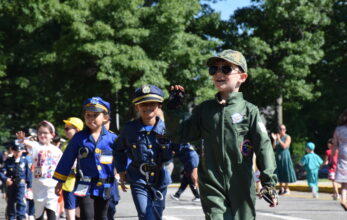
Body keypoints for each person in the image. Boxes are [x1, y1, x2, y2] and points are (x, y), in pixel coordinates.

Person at [164, 49, 278, 219]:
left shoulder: (250, 111)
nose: (218, 73)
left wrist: (269, 182)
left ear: (242, 77)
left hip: (241, 184)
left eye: (226, 69)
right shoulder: (204, 110)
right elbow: (179, 135)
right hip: (212, 184)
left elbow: (264, 147)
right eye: (214, 69)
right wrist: (172, 110)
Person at [113, 85, 199, 220]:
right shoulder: (130, 129)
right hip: (138, 178)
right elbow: (118, 149)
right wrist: (121, 170)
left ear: (159, 106)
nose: (147, 108)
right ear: (137, 107)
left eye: (152, 104)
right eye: (143, 104)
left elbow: (184, 149)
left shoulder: (168, 129)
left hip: (161, 178)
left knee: (156, 215)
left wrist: (193, 168)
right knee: (145, 214)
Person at [53, 97, 117, 220]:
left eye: (95, 115)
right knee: (87, 216)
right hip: (84, 184)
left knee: (103, 216)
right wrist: (60, 181)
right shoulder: (79, 138)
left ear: (105, 117)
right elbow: (67, 159)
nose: (91, 118)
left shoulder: (112, 138)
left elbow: (123, 156)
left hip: (105, 185)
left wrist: (124, 173)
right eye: (88, 115)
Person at [16, 120, 63, 220]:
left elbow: (62, 167)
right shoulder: (36, 146)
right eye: (40, 132)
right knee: (39, 213)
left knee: (51, 212)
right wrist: (23, 139)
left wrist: (61, 182)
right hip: (38, 186)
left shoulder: (57, 151)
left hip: (52, 186)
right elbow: (28, 142)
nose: (42, 135)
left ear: (52, 135)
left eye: (45, 133)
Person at [60, 117, 84, 220]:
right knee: (70, 211)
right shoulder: (65, 144)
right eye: (65, 128)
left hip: (83, 182)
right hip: (69, 182)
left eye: (68, 129)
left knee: (82, 211)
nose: (65, 131)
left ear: (77, 130)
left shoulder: (85, 143)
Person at [0, 141, 31, 220]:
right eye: (16, 151)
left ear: (21, 151)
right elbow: (1, 172)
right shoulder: (8, 161)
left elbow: (28, 174)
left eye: (19, 151)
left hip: (21, 184)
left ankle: (20, 217)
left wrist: (29, 186)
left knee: (21, 202)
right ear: (13, 151)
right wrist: (5, 179)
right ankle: (11, 217)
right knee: (10, 202)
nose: (17, 153)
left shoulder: (24, 161)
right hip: (11, 184)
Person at [332, 108, 347, 211]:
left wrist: (332, 157)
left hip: (343, 153)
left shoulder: (339, 129)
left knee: (345, 179)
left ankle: (343, 199)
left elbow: (334, 143)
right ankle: (344, 200)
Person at [271, 124, 297, 195]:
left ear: (285, 130)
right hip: (278, 156)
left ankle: (286, 188)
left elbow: (285, 146)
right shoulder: (278, 137)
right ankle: (281, 188)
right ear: (278, 130)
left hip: (285, 156)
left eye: (284, 129)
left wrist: (279, 139)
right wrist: (275, 139)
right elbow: (273, 148)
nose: (282, 130)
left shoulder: (287, 137)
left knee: (286, 170)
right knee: (279, 171)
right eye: (280, 129)